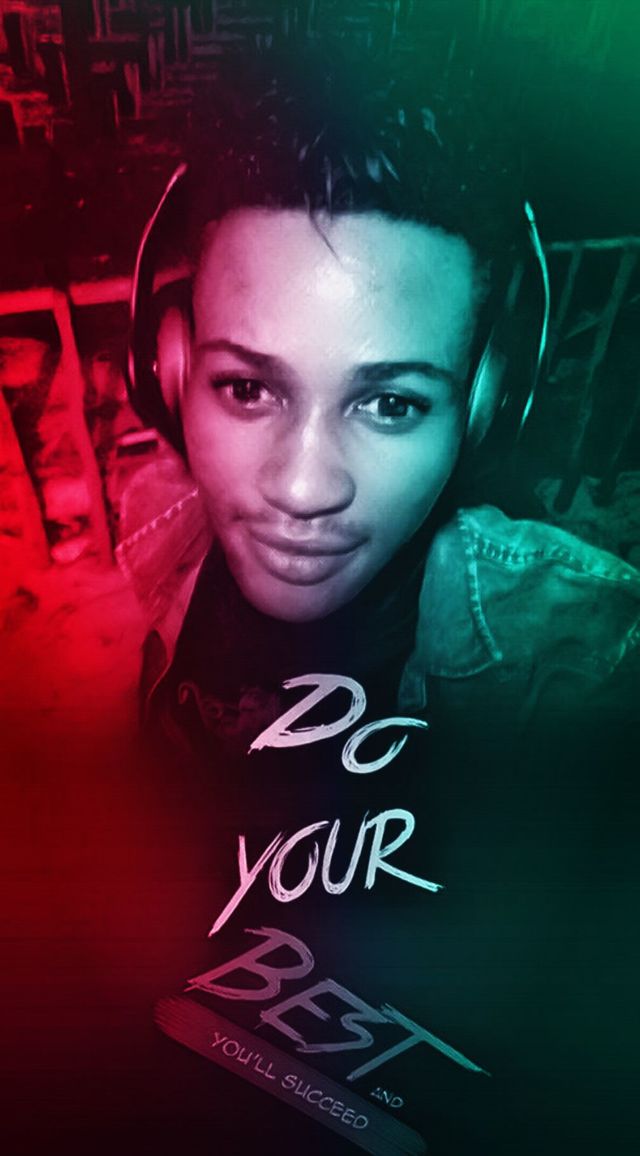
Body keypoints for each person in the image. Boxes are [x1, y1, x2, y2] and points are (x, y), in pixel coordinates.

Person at [117, 48, 639, 1156]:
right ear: (168, 372)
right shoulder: (146, 551)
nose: (305, 487)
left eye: (391, 403)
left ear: (485, 405)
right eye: (246, 388)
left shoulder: (585, 664)